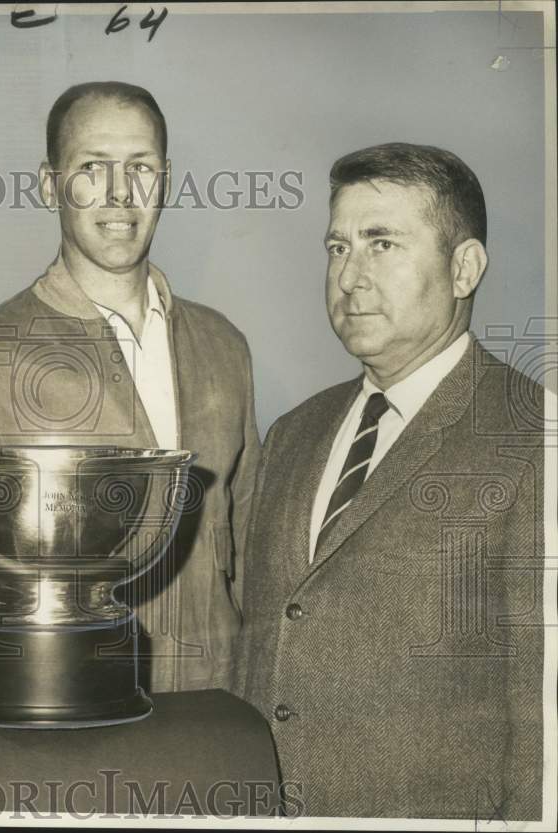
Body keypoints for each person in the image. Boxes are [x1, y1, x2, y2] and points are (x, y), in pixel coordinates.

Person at [238, 142, 544, 819]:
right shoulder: (293, 434)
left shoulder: (532, 437)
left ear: (464, 268)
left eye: (382, 244)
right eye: (337, 247)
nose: (350, 277)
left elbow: (541, 717)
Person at [0, 81, 261, 693]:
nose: (119, 193)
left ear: (166, 180)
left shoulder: (224, 347)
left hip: (218, 712)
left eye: (140, 166)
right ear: (49, 184)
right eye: (91, 168)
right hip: (72, 718)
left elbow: (247, 554)